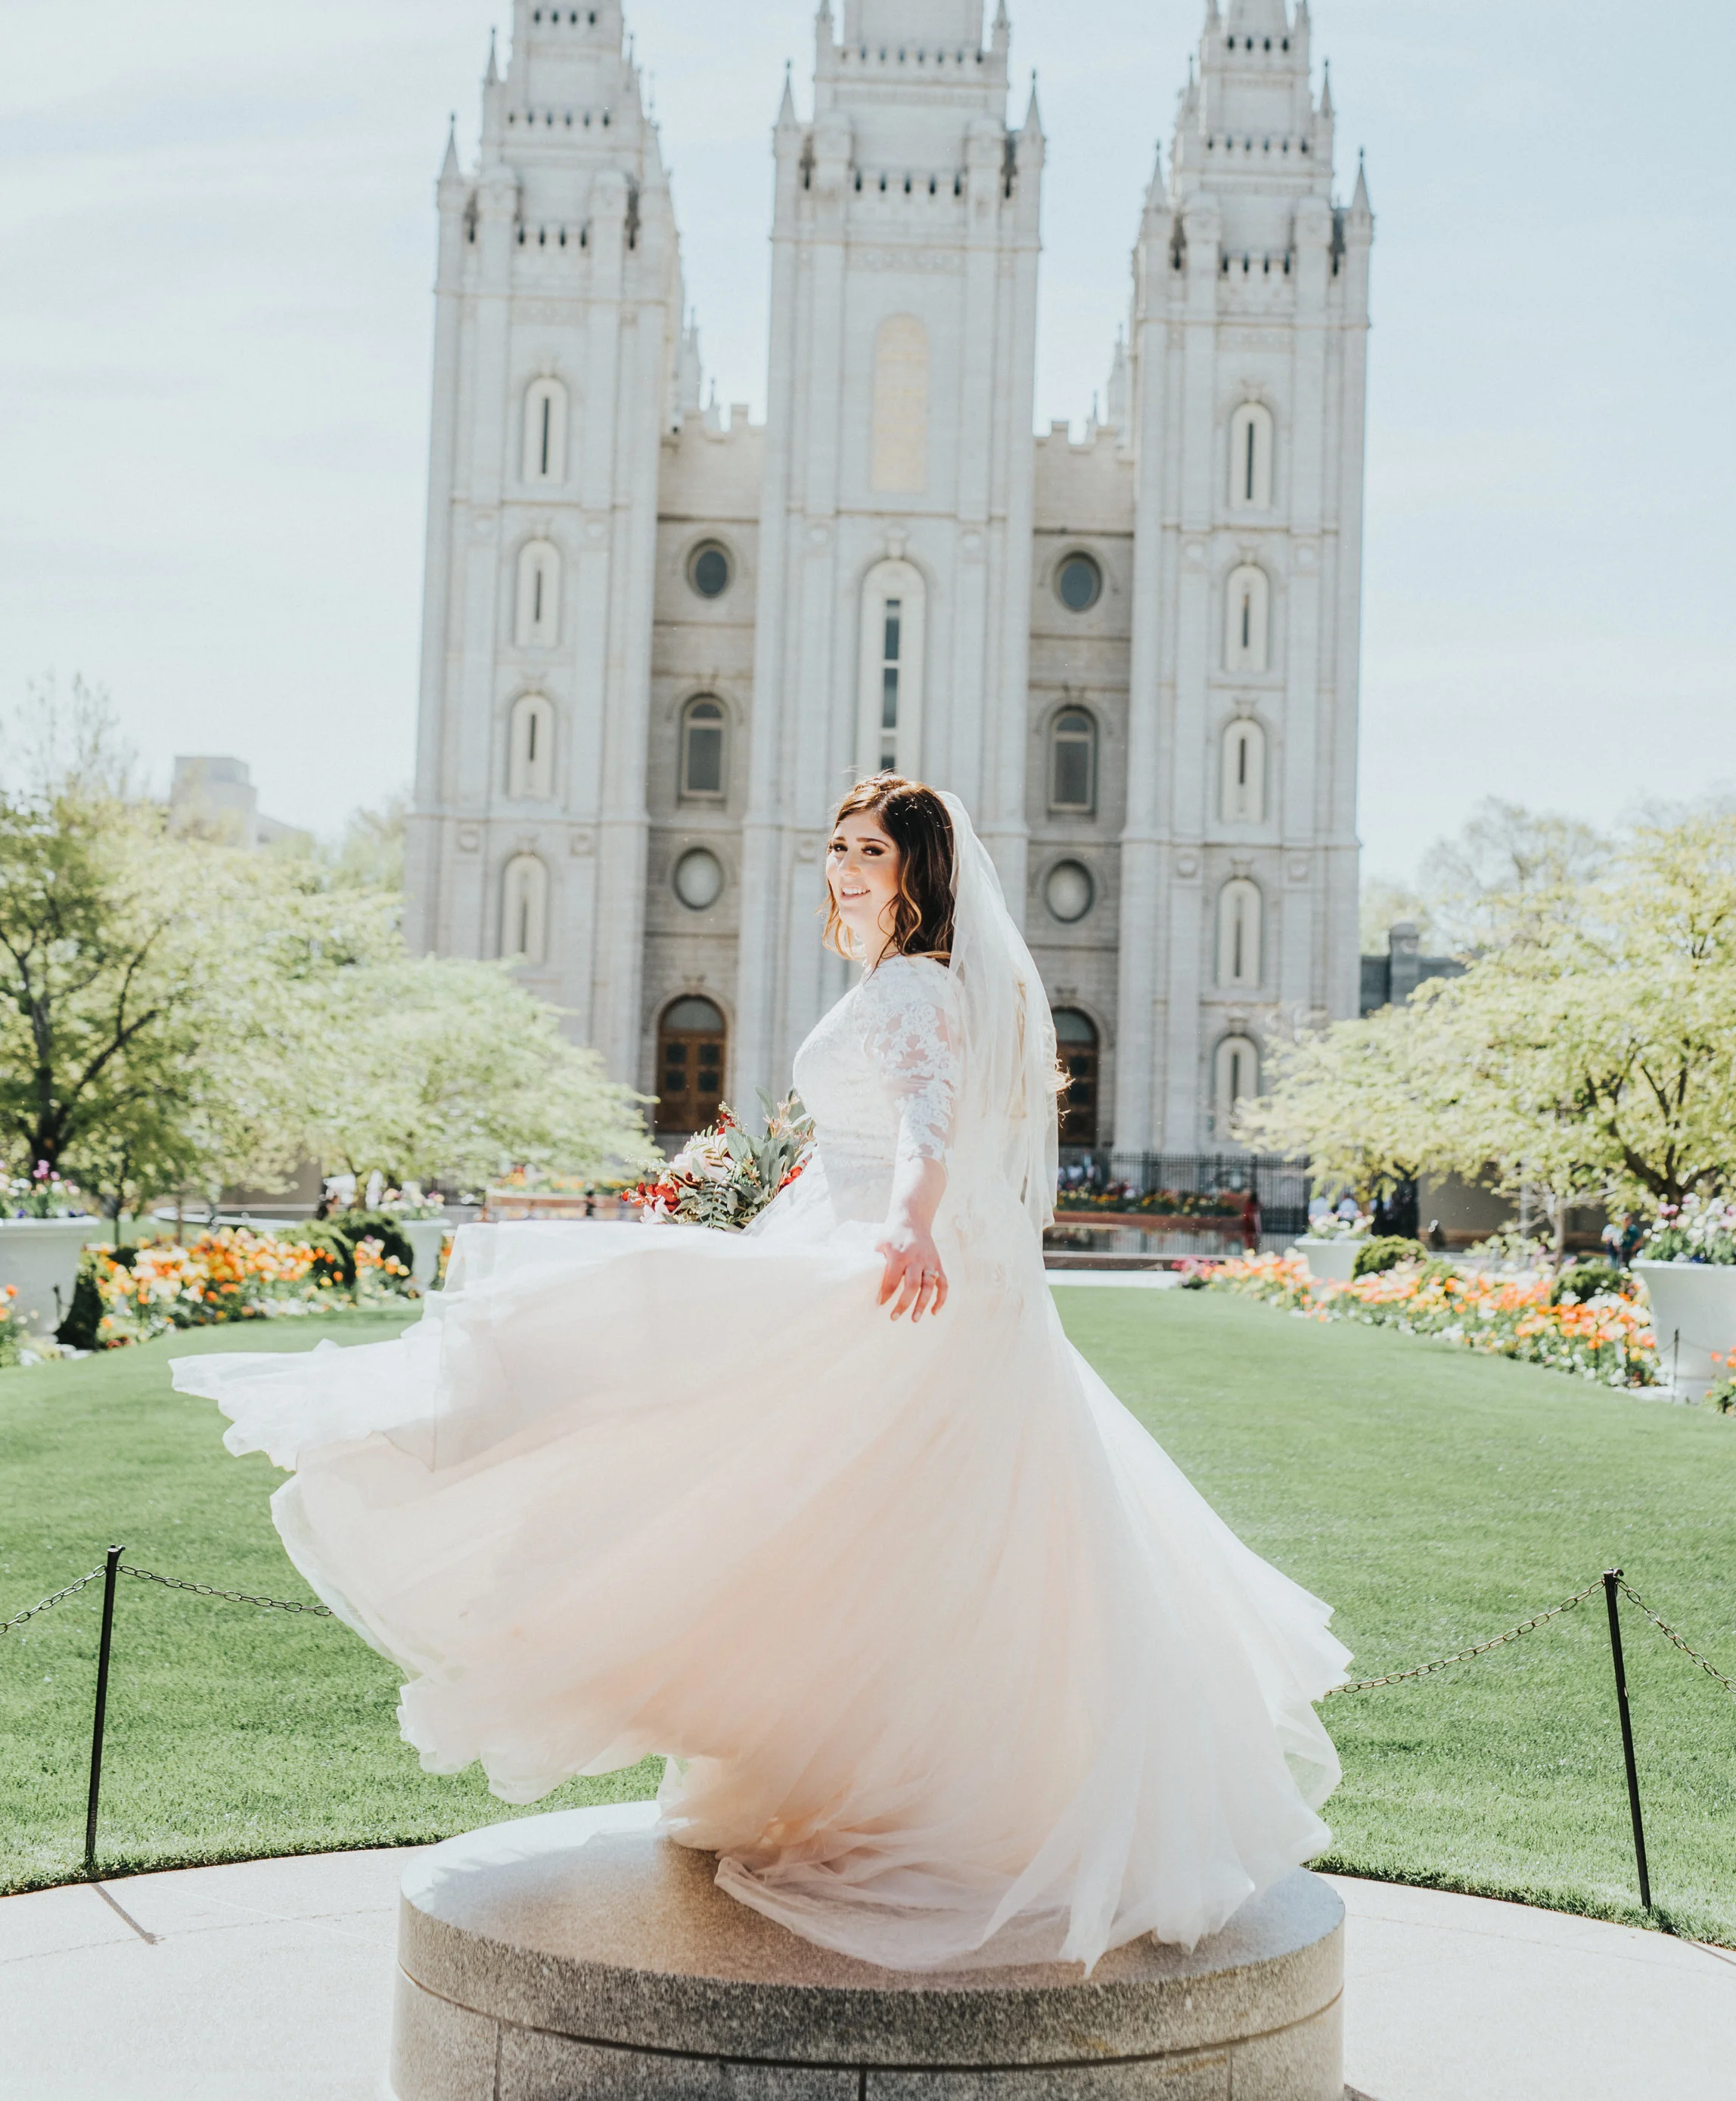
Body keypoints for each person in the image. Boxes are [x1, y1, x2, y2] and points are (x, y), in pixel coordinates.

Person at [172, 776, 1346, 1973]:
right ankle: (861, 1776)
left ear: (921, 871)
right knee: (862, 1529)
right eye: (838, 847)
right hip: (888, 1248)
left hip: (888, 1259)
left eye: (871, 851)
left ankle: (436, 1444)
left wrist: (907, 1224)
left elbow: (928, 1125)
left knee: (699, 1408)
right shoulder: (918, 980)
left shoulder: (912, 986)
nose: (845, 867)